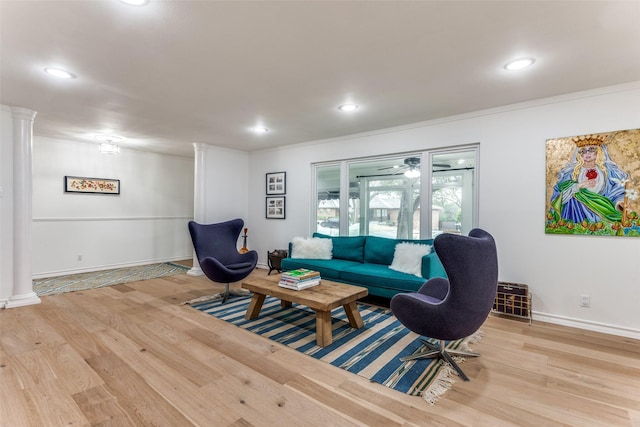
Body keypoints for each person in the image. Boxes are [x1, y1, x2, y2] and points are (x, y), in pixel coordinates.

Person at [549, 135, 629, 224]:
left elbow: (618, 191)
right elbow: (558, 196)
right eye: (583, 151)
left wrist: (619, 202)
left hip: (603, 211)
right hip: (578, 212)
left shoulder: (608, 171)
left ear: (599, 151)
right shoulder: (571, 172)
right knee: (575, 198)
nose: (587, 153)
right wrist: (579, 186)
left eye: (591, 149)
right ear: (579, 154)